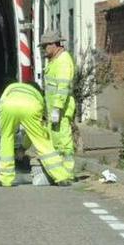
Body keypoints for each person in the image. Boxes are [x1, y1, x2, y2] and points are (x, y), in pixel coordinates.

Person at [0, 82, 72, 187]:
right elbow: (32, 134)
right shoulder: (38, 96)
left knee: (6, 139)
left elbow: (0, 105)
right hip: (31, 106)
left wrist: (4, 128)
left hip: (9, 105)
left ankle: (5, 179)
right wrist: (23, 147)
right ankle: (61, 177)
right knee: (42, 142)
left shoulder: (11, 87)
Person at [40, 30, 76, 177]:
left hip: (60, 110)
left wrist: (56, 108)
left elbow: (63, 87)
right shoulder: (55, 61)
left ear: (53, 45)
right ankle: (60, 173)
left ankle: (66, 173)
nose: (43, 50)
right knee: (56, 143)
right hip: (54, 111)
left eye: (45, 46)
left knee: (63, 143)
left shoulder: (63, 61)